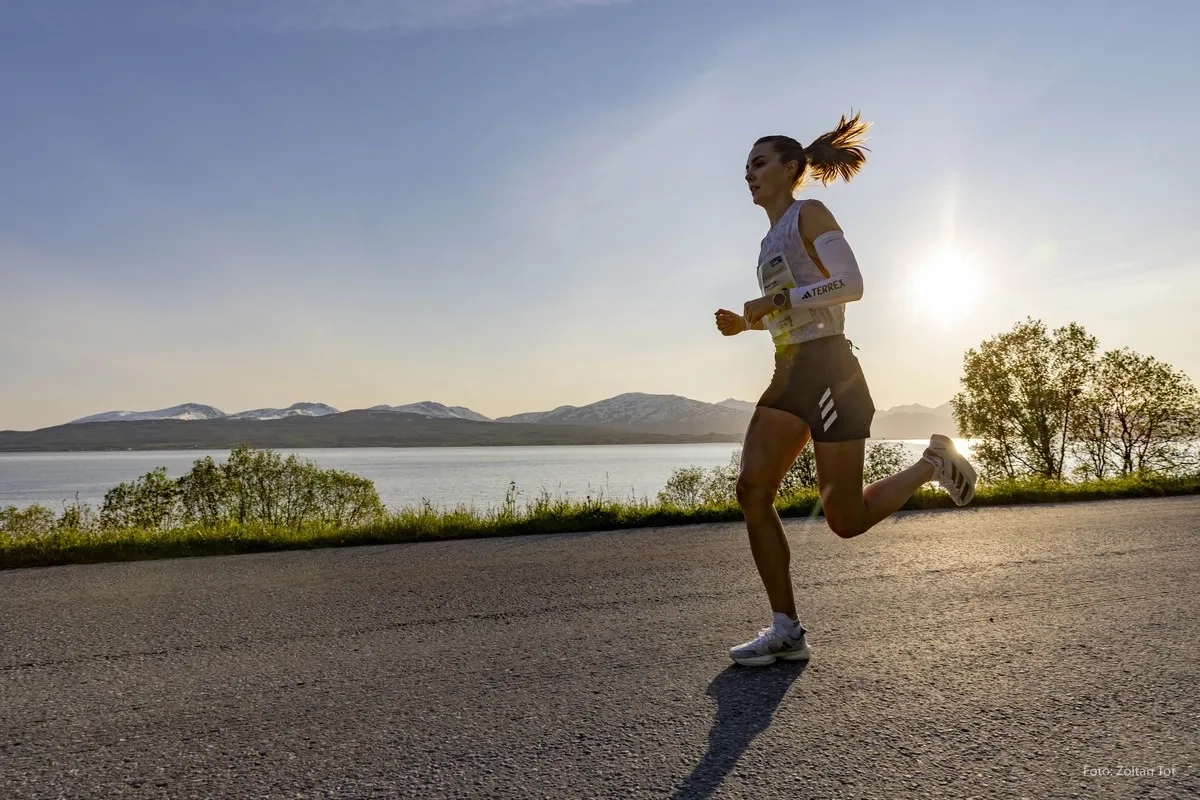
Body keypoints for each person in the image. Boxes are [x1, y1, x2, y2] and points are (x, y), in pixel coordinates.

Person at [713, 112, 977, 667]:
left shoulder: (810, 213)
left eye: (759, 163)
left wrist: (775, 304)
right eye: (745, 166)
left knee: (845, 521)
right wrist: (750, 323)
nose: (748, 174)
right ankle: (786, 629)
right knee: (751, 491)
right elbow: (799, 306)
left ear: (790, 169)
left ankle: (933, 461)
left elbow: (851, 285)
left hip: (832, 371)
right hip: (789, 370)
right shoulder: (767, 242)